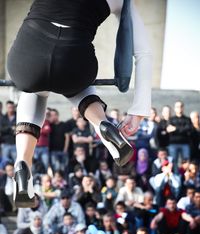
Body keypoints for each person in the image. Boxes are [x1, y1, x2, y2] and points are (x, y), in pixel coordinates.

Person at [7, 0, 152, 207]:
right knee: (76, 85)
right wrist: (138, 111)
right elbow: (143, 53)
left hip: (27, 54)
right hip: (74, 59)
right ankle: (103, 125)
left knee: (34, 90)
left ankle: (23, 161)